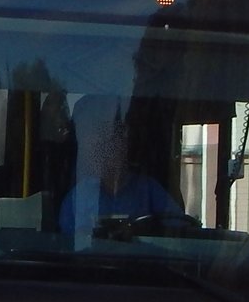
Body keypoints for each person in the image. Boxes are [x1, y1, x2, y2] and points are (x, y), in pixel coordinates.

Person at [58, 95, 181, 239]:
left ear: (124, 145)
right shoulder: (79, 197)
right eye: (100, 145)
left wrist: (142, 230)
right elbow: (67, 243)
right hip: (91, 260)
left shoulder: (149, 190)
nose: (107, 150)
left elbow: (178, 230)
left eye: (113, 142)